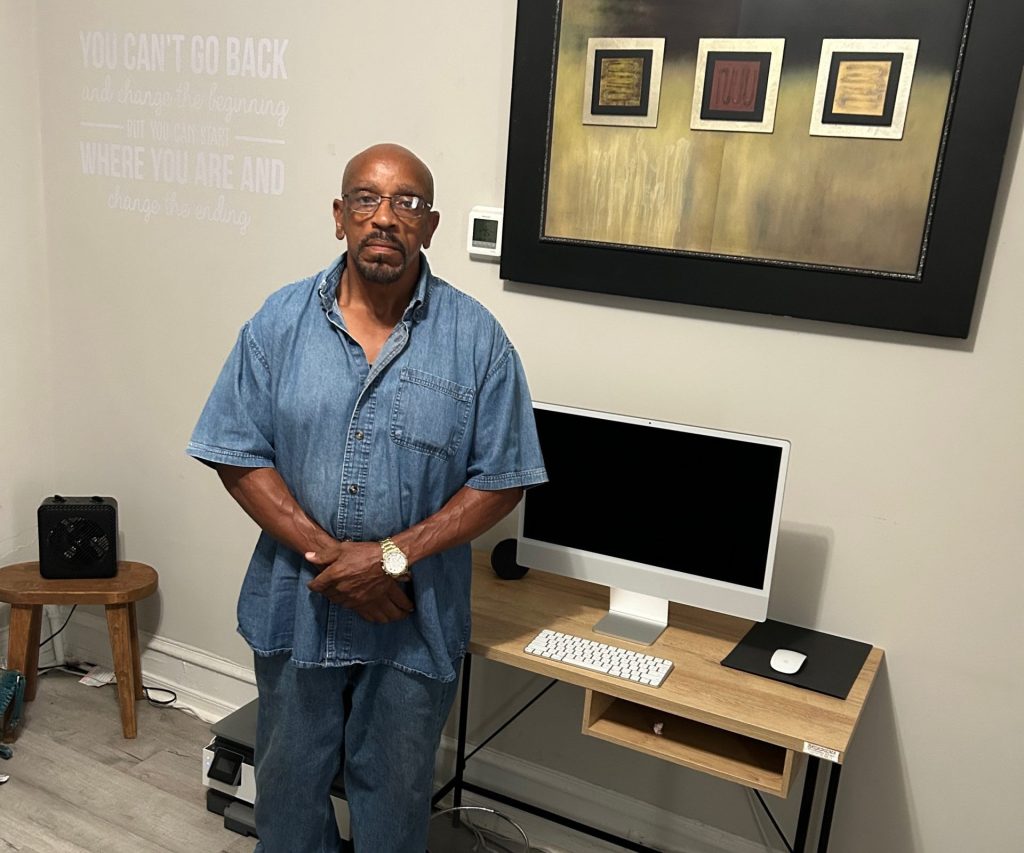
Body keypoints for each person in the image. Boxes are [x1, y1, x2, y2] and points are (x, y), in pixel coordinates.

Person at [187, 142, 547, 852]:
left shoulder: (478, 340)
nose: (385, 217)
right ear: (339, 216)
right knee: (289, 787)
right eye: (366, 199)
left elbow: (504, 475)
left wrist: (388, 556)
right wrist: (335, 556)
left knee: (395, 790)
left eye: (407, 202)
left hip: (415, 610)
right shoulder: (279, 323)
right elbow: (234, 448)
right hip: (300, 598)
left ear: (431, 224)